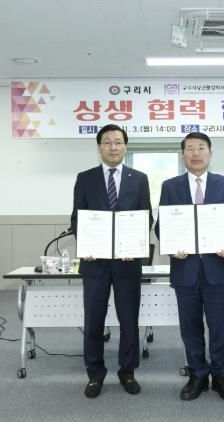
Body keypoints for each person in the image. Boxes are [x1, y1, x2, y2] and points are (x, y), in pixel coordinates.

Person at [155, 132, 224, 401]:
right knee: (190, 327)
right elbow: (161, 226)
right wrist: (172, 246)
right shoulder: (170, 186)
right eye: (190, 148)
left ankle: (221, 374)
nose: (196, 153)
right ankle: (197, 374)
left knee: (219, 327)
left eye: (201, 147)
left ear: (210, 153)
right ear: (183, 155)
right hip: (185, 269)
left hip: (216, 268)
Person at [70, 124, 153, 398]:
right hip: (95, 263)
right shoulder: (85, 178)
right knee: (93, 321)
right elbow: (77, 218)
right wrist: (87, 244)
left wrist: (135, 244)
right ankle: (95, 374)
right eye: (107, 142)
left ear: (125, 146)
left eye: (118, 142)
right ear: (99, 147)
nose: (113, 147)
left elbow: (146, 217)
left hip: (127, 263)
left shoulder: (139, 178)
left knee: (129, 320)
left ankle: (127, 372)